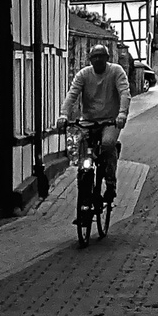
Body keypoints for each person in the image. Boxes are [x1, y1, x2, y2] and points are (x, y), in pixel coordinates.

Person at [56, 44, 131, 200]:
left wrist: (122, 114)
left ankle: (110, 183)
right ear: (89, 60)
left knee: (108, 144)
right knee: (83, 156)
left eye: (101, 56)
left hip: (110, 121)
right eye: (94, 57)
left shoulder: (116, 71)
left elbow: (124, 93)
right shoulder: (84, 75)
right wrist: (63, 115)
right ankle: (84, 198)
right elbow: (72, 95)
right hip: (88, 121)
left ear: (107, 58)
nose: (97, 60)